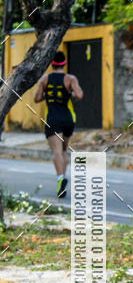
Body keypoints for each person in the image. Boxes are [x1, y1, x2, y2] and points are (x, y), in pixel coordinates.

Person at [34, 50, 84, 198]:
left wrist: (47, 95)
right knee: (63, 151)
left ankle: (60, 179)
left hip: (53, 119)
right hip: (68, 119)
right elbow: (79, 95)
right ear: (64, 63)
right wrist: (70, 95)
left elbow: (36, 98)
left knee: (56, 152)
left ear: (52, 63)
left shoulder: (45, 79)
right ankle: (62, 178)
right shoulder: (70, 79)